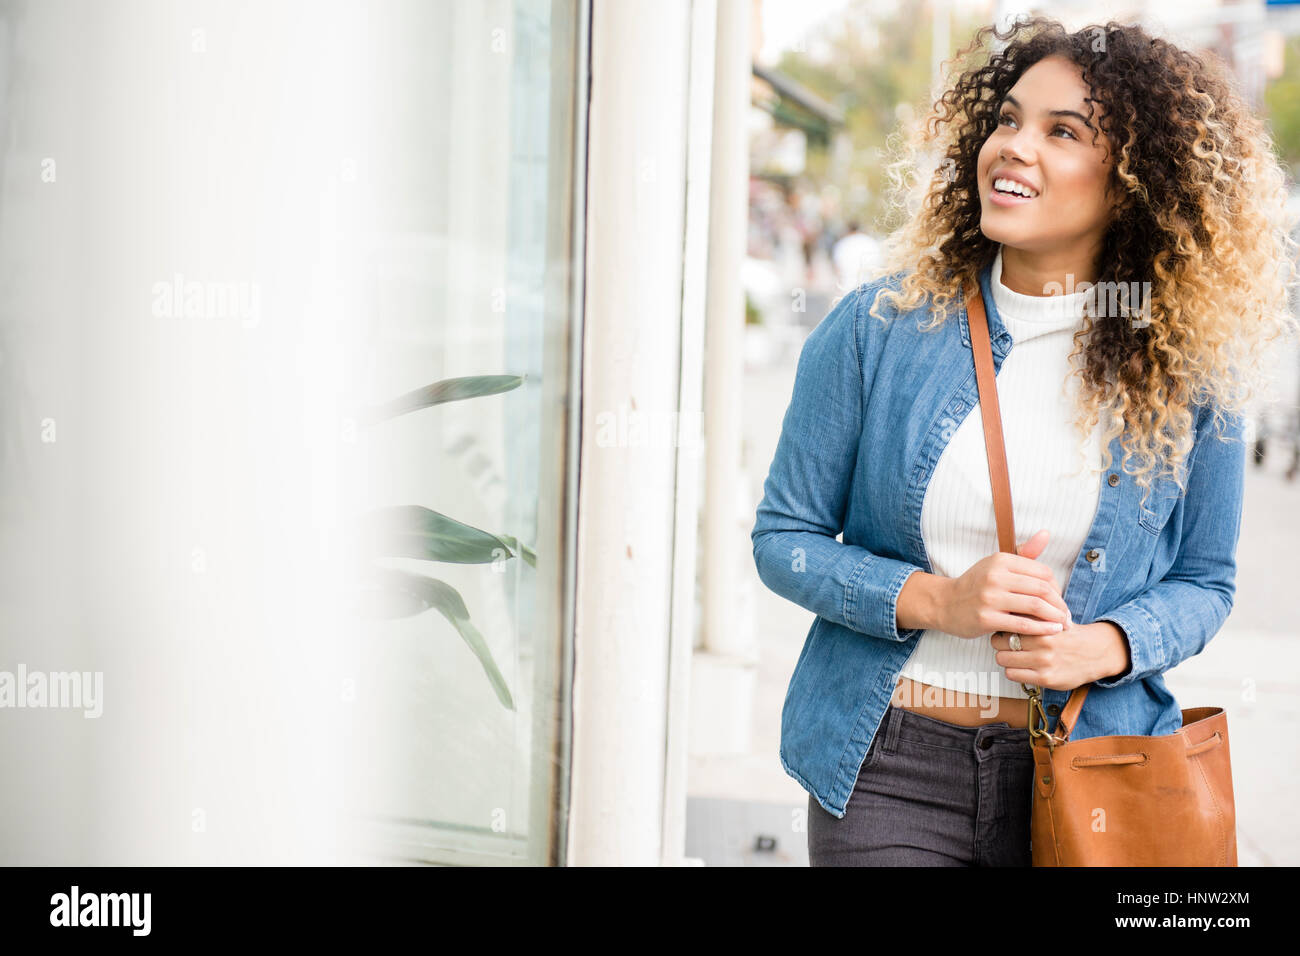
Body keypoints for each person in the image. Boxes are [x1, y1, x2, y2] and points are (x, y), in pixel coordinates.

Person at [751, 16, 1298, 866]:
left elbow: (1205, 581)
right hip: (891, 768)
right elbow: (782, 541)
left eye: (1062, 132)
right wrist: (935, 601)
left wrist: (1104, 645)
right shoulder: (878, 328)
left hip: (1096, 769)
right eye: (1006, 120)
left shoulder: (1191, 371)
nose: (1014, 147)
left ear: (1133, 180)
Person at [831, 221, 883, 292]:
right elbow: (878, 264)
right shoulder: (870, 241)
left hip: (847, 286)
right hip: (869, 285)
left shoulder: (842, 243)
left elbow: (837, 268)